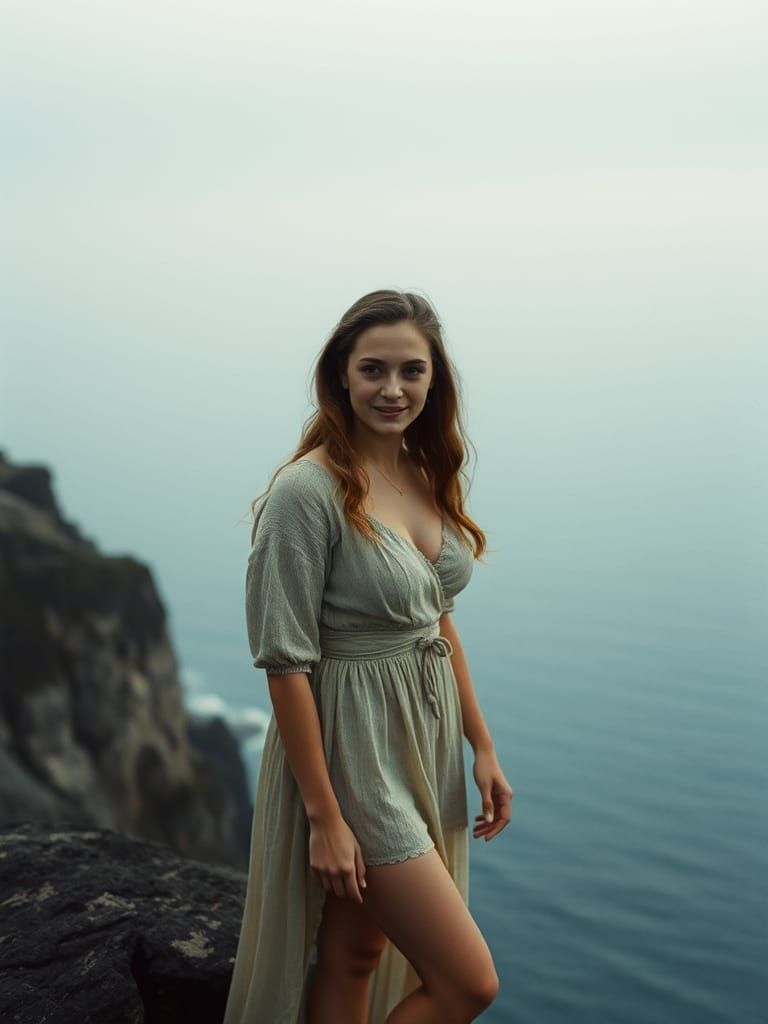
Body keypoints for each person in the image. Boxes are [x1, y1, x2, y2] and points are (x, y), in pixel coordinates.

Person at [223, 289, 514, 1024]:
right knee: (467, 983)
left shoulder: (424, 472)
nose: (393, 389)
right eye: (373, 369)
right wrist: (325, 817)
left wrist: (480, 744)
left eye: (412, 371)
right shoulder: (306, 492)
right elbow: (285, 664)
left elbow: (436, 623)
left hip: (423, 744)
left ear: (433, 381)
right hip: (353, 752)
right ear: (341, 378)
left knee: (357, 955)